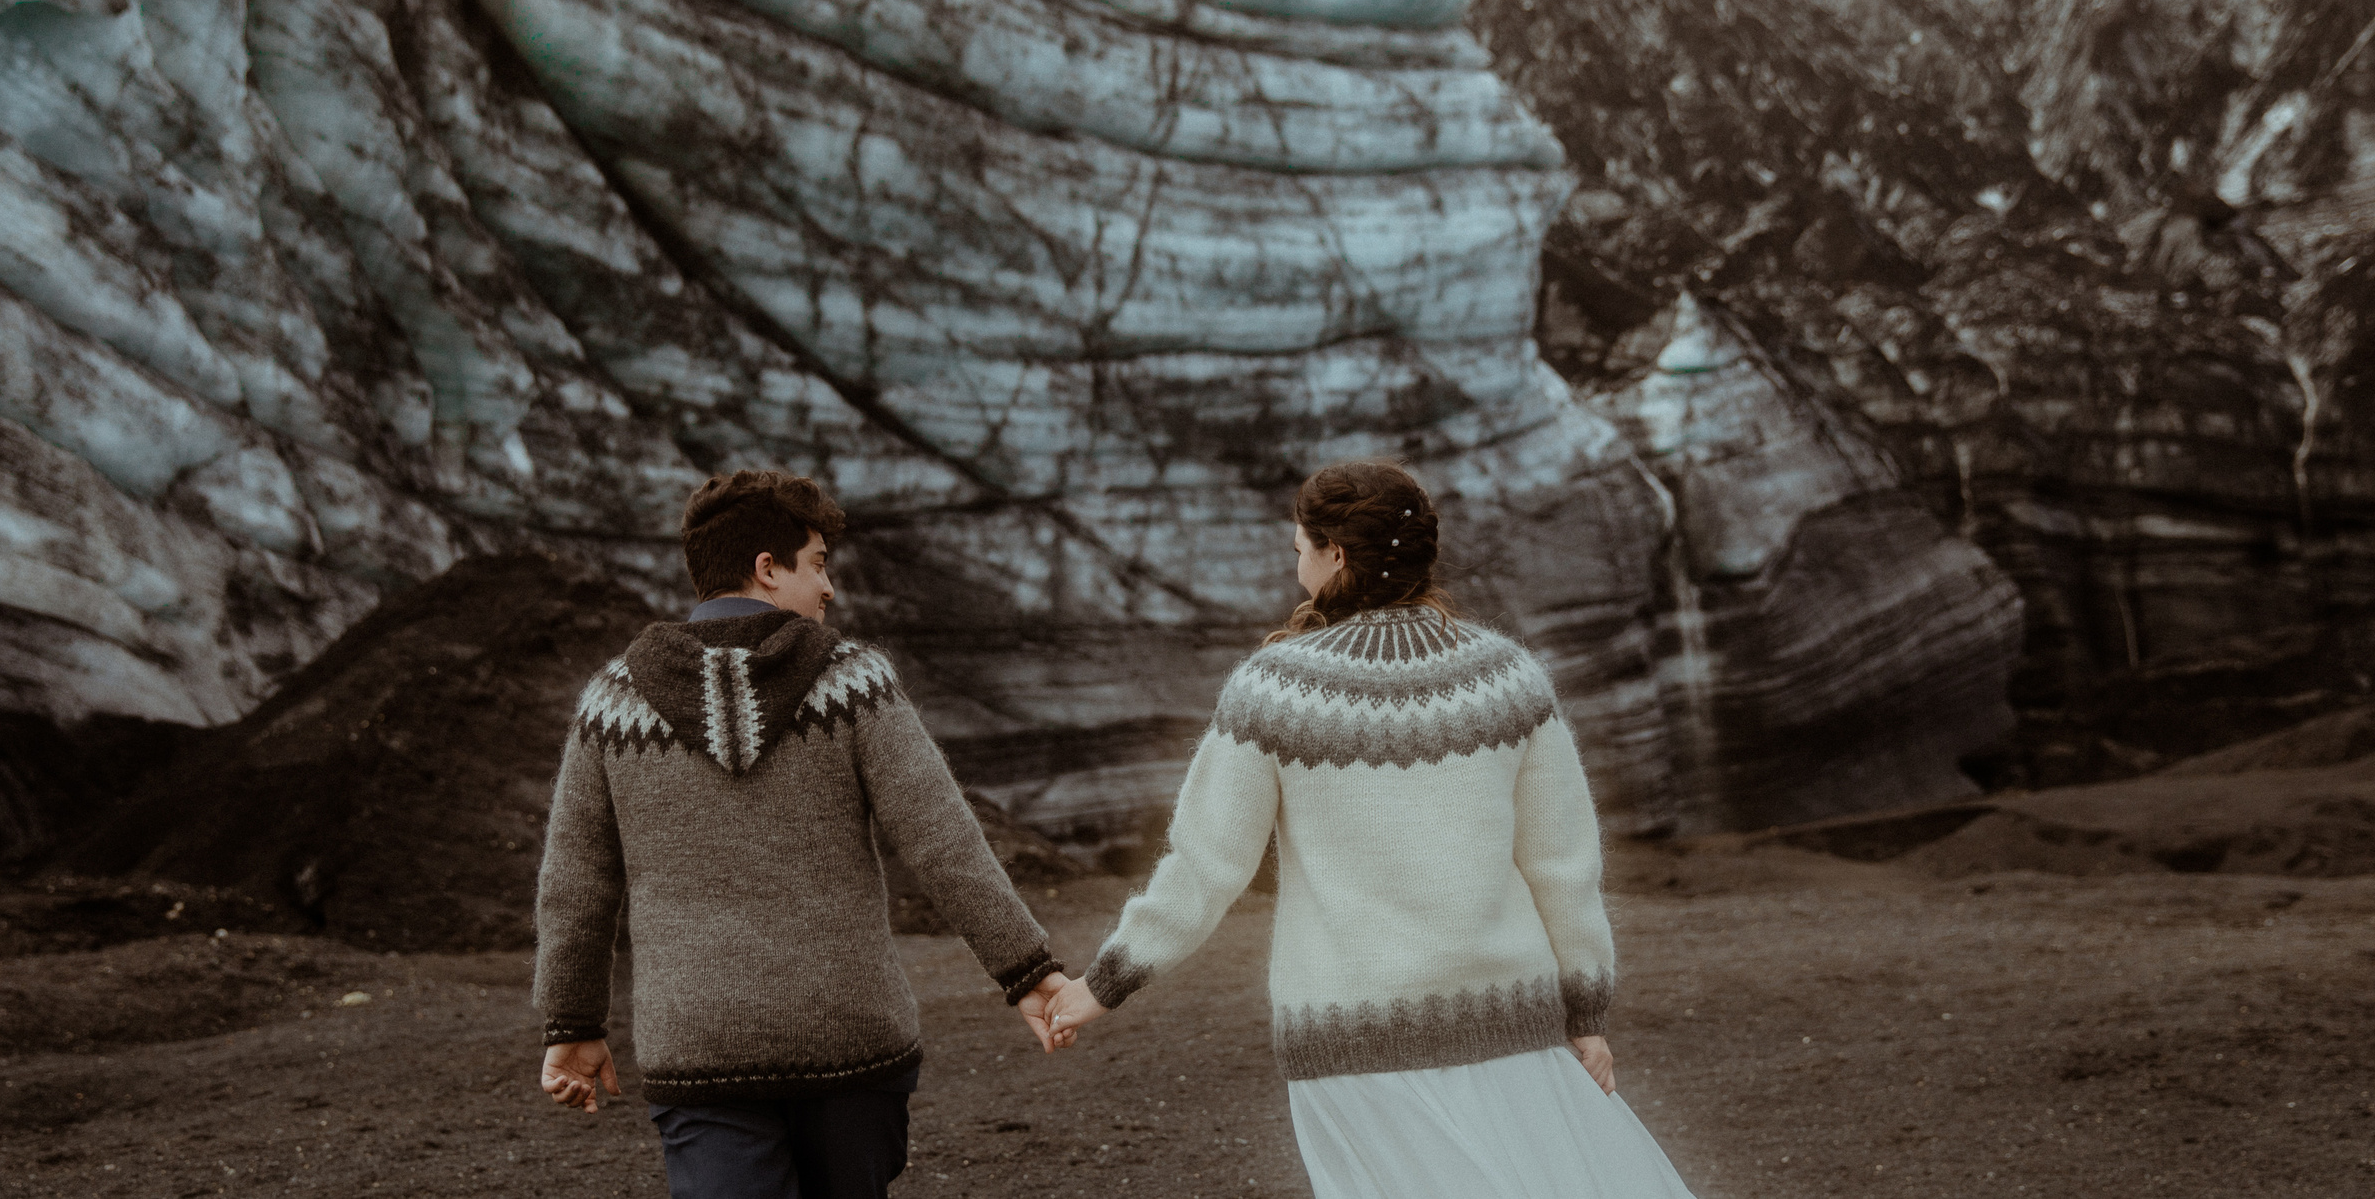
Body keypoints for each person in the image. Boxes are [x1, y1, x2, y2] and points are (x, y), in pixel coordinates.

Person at [1044, 460, 1698, 1199]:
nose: (1296, 563)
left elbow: (1205, 866)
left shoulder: (1274, 691)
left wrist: (1102, 984)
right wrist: (1586, 1013)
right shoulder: (1510, 680)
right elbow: (1562, 864)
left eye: (1300, 548)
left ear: (1337, 555)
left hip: (1347, 1041)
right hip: (1510, 1021)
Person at [534, 468, 1068, 1198]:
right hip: (851, 1041)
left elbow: (576, 883)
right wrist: (1027, 971)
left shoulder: (611, 703)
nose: (829, 589)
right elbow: (943, 842)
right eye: (817, 563)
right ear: (767, 567)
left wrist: (572, 1022)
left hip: (698, 1049)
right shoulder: (853, 683)